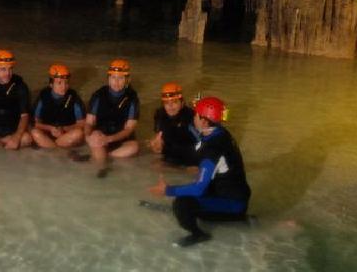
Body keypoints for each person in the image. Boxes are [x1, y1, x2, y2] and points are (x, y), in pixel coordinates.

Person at [148, 96, 251, 247]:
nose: (193, 117)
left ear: (203, 121)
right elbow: (194, 153)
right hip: (234, 193)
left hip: (234, 204)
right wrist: (165, 148)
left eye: (195, 114)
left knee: (181, 203)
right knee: (188, 189)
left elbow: (198, 189)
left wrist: (167, 190)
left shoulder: (212, 149)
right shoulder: (218, 133)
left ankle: (198, 234)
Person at [85, 59, 140, 172]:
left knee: (134, 147)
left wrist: (109, 139)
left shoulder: (132, 98)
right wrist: (87, 137)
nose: (116, 82)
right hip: (101, 133)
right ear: (108, 79)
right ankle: (101, 168)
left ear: (127, 80)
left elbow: (129, 129)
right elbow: (89, 122)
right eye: (113, 77)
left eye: (120, 78)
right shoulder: (98, 95)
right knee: (95, 137)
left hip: (121, 136)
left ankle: (101, 157)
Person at [30, 63, 86, 149]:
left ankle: (52, 149)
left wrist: (63, 129)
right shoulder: (43, 96)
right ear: (51, 84)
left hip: (65, 135)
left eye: (66, 83)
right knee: (34, 132)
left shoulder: (74, 97)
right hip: (47, 133)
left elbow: (82, 123)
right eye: (59, 83)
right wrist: (51, 129)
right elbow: (35, 123)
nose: (63, 87)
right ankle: (58, 151)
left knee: (78, 133)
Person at [149, 82, 197, 167]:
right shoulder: (160, 114)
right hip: (170, 152)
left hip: (189, 155)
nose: (170, 106)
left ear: (182, 103)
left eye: (174, 102)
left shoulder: (190, 117)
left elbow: (200, 144)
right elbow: (158, 136)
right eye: (167, 103)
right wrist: (156, 143)